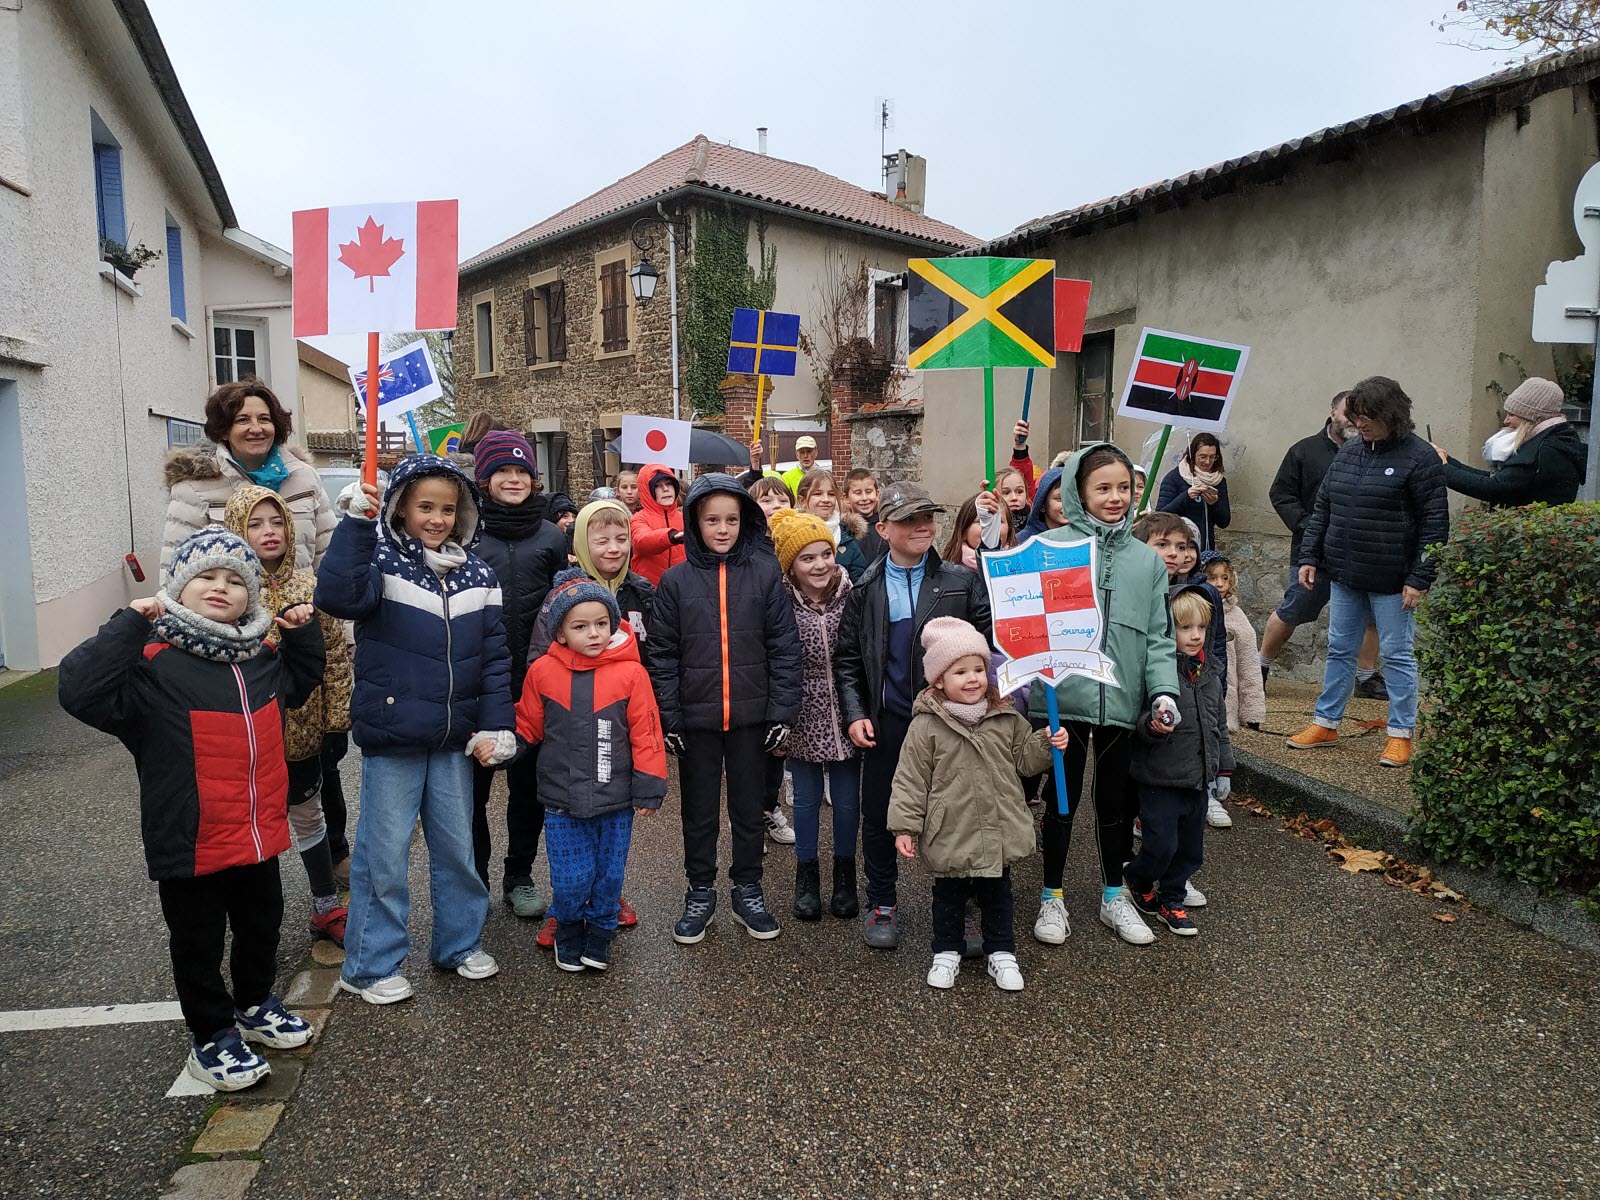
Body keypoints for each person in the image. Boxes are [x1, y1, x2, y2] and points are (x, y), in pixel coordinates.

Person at [58, 529, 325, 1090]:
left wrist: (303, 637)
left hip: (257, 834)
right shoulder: (151, 663)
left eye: (235, 580)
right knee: (198, 943)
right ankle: (210, 1038)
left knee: (261, 927)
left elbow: (299, 687)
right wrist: (130, 624)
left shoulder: (260, 656)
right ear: (179, 586)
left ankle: (253, 1004)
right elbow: (79, 691)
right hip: (191, 838)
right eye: (207, 576)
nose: (221, 587)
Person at [315, 455, 513, 1005]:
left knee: (457, 849)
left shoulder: (479, 572)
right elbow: (337, 596)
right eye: (425, 506)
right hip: (394, 738)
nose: (437, 518)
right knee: (384, 856)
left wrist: (498, 723)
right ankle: (370, 964)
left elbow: (495, 657)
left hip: (454, 739)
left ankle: (458, 944)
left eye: (448, 508)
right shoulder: (378, 560)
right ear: (401, 508)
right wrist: (356, 524)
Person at [1028, 444, 1179, 949]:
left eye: (1124, 487)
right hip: (1062, 700)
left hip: (1121, 701)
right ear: (1078, 492)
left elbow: (1159, 636)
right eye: (1103, 488)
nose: (1116, 497)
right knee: (1061, 803)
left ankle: (1115, 894)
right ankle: (1052, 895)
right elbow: (1023, 619)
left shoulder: (1147, 562)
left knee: (1116, 802)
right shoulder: (1052, 547)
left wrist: (1162, 691)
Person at [834, 481, 992, 950]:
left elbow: (989, 645)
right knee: (881, 814)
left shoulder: (961, 582)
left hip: (951, 721)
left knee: (959, 815)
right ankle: (882, 901)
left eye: (928, 517)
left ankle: (962, 906)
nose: (923, 526)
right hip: (889, 721)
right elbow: (846, 660)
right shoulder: (865, 587)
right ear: (882, 529)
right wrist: (856, 712)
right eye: (909, 519)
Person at [647, 474, 802, 944]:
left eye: (731, 519)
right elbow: (662, 654)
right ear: (695, 521)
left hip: (751, 718)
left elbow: (784, 647)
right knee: (698, 812)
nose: (722, 529)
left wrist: (782, 712)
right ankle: (700, 890)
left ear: (744, 522)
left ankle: (748, 887)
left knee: (748, 808)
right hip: (697, 720)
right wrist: (669, 717)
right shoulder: (675, 581)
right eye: (712, 519)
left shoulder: (764, 574)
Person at [889, 617, 1068, 992]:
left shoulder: (1004, 716)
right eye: (960, 672)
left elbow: (1023, 760)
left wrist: (1045, 744)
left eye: (978, 669)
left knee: (997, 892)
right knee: (948, 894)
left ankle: (1001, 952)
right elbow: (911, 778)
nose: (972, 679)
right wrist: (905, 826)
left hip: (996, 826)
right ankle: (946, 951)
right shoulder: (925, 727)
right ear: (938, 680)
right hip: (950, 827)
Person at [1289, 376, 1449, 769]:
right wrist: (1310, 555)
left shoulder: (1420, 458)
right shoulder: (1350, 452)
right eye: (1356, 417)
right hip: (1345, 575)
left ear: (1392, 416)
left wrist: (1419, 578)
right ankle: (1326, 723)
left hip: (1394, 583)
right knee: (1339, 650)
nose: (1360, 425)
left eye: (1368, 418)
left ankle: (1400, 735)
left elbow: (1435, 525)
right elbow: (1324, 506)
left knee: (1396, 656)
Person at [514, 570, 666, 972]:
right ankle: (567, 926)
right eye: (580, 626)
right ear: (560, 632)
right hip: (561, 801)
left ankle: (600, 931)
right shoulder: (542, 673)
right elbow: (527, 724)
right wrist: (502, 743)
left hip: (615, 801)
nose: (594, 633)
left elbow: (647, 732)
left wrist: (649, 787)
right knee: (569, 876)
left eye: (602, 623)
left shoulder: (632, 674)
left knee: (609, 875)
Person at [222, 487, 352, 946]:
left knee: (308, 815)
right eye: (255, 524)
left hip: (303, 735)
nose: (269, 532)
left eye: (276, 522)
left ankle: (324, 905)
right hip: (251, 739)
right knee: (254, 824)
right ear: (237, 530)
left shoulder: (310, 587)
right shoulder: (232, 589)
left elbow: (336, 655)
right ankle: (254, 918)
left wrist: (336, 722)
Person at [527, 498, 656, 948]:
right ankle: (566, 912)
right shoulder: (561, 595)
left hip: (619, 723)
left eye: (622, 539)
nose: (614, 548)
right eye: (601, 539)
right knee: (569, 841)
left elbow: (655, 657)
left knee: (611, 837)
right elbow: (540, 660)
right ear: (582, 542)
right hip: (569, 731)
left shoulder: (640, 590)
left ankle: (605, 900)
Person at [470, 431, 569, 919]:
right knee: (472, 792)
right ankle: (474, 881)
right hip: (477, 686)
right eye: (502, 472)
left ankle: (519, 874)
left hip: (535, 686)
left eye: (522, 472)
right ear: (484, 479)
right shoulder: (466, 534)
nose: (513, 479)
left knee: (528, 791)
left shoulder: (551, 536)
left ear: (534, 478)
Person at [1124, 585, 1232, 938]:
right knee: (1160, 844)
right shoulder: (1157, 671)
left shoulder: (1211, 673)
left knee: (1190, 850)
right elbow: (1137, 721)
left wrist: (1224, 769)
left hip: (1198, 779)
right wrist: (1153, 727)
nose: (1195, 635)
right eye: (1186, 628)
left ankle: (1173, 897)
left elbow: (1217, 725)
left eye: (1201, 628)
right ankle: (1138, 879)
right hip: (1160, 778)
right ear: (1169, 630)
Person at [769, 507, 860, 921]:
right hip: (801, 710)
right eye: (807, 558)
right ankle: (806, 876)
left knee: (845, 800)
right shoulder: (779, 601)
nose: (820, 564)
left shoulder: (853, 593)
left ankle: (845, 876)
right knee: (804, 799)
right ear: (791, 565)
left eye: (825, 553)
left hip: (846, 709)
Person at [1262, 392, 1383, 695]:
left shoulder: (1374, 452)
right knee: (1292, 610)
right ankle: (1259, 666)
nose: (1354, 421)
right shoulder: (1304, 451)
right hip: (1313, 553)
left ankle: (1365, 677)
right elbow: (1281, 494)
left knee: (1372, 618)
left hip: (1360, 554)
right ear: (1332, 413)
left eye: (1359, 415)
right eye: (1347, 413)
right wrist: (1307, 526)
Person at [162, 380, 336, 576]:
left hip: (303, 604)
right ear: (224, 431)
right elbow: (175, 569)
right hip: (233, 605)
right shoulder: (194, 488)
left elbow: (329, 553)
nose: (256, 429)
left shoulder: (304, 477)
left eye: (264, 419)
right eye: (242, 420)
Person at [743, 475, 800, 847]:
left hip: (789, 656)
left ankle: (768, 809)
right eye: (766, 501)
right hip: (755, 658)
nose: (776, 506)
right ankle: (749, 817)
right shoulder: (748, 549)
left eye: (782, 500)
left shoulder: (798, 543)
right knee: (752, 748)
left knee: (779, 745)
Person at [1433, 377, 1586, 507]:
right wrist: (1447, 461)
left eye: (1511, 414)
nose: (1506, 421)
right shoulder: (1549, 441)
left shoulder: (1546, 448)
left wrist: (1443, 468)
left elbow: (1496, 488)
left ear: (1530, 416)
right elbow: (1500, 480)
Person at [1201, 552, 1267, 736]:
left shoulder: (1236, 617)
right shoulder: (1193, 607)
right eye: (1212, 578)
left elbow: (1249, 666)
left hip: (1226, 702)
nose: (1220, 584)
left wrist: (1252, 712)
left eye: (1225, 578)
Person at [1156, 433, 1231, 552]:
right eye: (1203, 456)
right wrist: (1186, 496)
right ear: (1192, 455)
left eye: (1212, 457)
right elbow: (1160, 516)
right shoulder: (1174, 478)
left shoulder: (1218, 481)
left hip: (1205, 549)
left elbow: (1224, 522)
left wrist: (1215, 503)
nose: (1207, 462)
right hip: (1178, 547)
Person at [795, 469, 869, 583]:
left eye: (831, 494)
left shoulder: (847, 539)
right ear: (802, 500)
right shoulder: (791, 536)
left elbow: (861, 584)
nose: (826, 499)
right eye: (818, 494)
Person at [630, 464, 686, 587]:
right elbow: (641, 541)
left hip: (680, 589)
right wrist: (670, 536)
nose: (665, 489)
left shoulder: (684, 518)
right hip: (648, 591)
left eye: (669, 483)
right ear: (647, 491)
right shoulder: (639, 518)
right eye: (657, 486)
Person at [843, 469, 887, 564]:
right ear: (846, 498)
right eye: (858, 493)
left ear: (877, 494)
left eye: (869, 492)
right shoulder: (844, 530)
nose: (864, 498)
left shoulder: (886, 525)